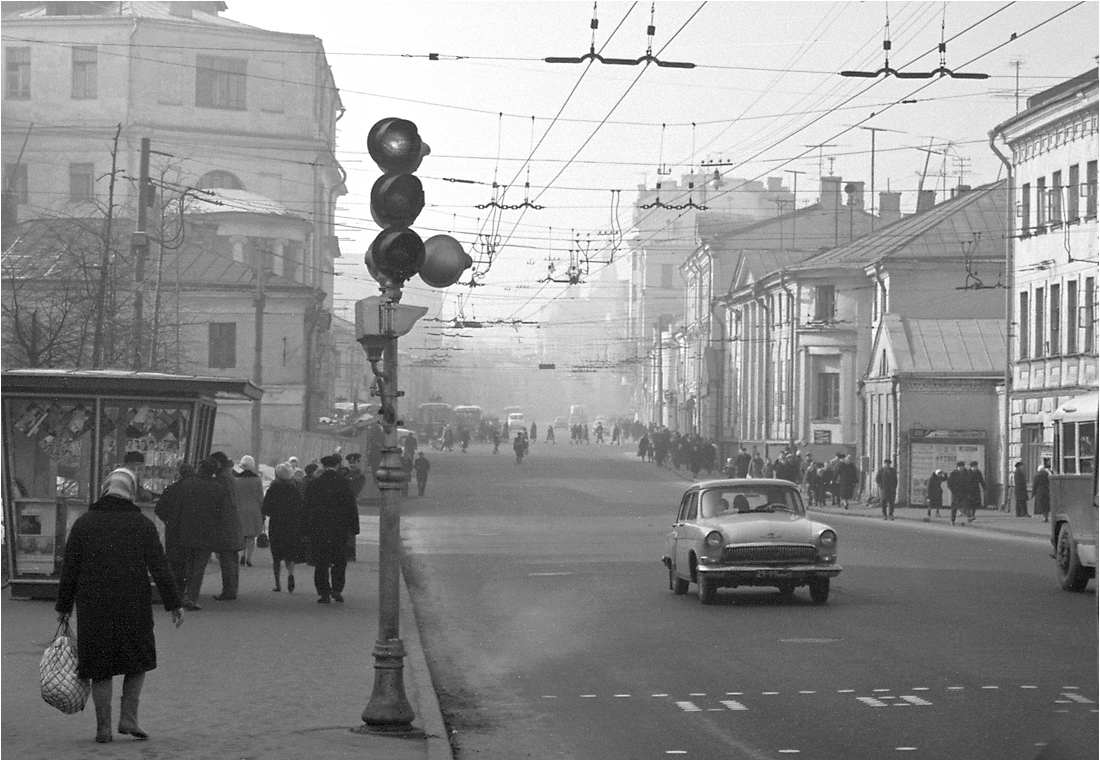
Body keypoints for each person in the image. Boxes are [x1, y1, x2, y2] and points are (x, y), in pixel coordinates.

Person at [55, 461, 184, 743]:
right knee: (136, 661)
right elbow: (159, 566)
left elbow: (71, 568)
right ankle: (128, 718)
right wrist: (174, 603)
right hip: (132, 602)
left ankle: (103, 726)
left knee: (100, 666)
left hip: (93, 603)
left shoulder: (84, 523)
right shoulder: (142, 524)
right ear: (131, 492)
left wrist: (63, 607)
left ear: (105, 490)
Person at [303, 454, 360, 603]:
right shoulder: (343, 483)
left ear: (323, 466)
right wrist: (354, 527)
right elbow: (351, 506)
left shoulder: (314, 484)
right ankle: (337, 589)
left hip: (319, 528)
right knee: (339, 560)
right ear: (336, 466)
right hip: (339, 529)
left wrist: (304, 529)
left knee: (321, 561)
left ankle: (324, 592)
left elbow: (306, 507)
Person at [262, 463, 307, 593]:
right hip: (293, 525)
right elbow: (301, 507)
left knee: (276, 555)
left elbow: (266, 508)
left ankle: (277, 584)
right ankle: (290, 574)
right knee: (290, 553)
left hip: (277, 525)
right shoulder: (294, 490)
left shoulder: (273, 489)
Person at [154, 462, 194, 593]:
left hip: (173, 529)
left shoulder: (172, 489)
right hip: (190, 530)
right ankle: (185, 589)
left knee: (173, 560)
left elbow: (159, 508)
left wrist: (168, 520)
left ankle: (174, 588)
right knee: (188, 561)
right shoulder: (195, 491)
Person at [209, 451, 243, 601]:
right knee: (231, 558)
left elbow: (222, 501)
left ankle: (228, 590)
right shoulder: (229, 476)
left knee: (227, 558)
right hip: (232, 522)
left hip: (225, 524)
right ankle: (231, 589)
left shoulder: (222, 478)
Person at [234, 455, 265, 567]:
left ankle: (242, 554)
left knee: (242, 534)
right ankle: (248, 558)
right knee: (251, 536)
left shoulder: (236, 479)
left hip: (240, 509)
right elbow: (260, 497)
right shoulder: (257, 480)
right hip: (254, 509)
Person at [946, 461, 971, 526]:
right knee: (954, 507)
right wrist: (953, 490)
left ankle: (969, 517)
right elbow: (949, 483)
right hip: (956, 493)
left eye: (962, 466)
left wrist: (968, 490)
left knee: (966, 505)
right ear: (957, 467)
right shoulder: (953, 473)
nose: (961, 468)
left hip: (964, 492)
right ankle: (952, 520)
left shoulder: (966, 473)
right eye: (960, 467)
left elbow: (969, 482)